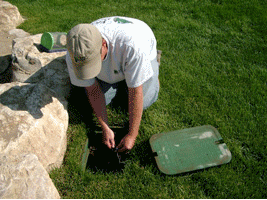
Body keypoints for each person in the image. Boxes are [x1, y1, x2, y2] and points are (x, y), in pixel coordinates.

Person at [66, 16, 160, 153]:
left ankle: (151, 72)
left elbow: (136, 92)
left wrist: (132, 135)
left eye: (93, 61)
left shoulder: (132, 47)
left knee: (144, 101)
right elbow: (92, 90)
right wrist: (105, 127)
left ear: (103, 43)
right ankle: (125, 76)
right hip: (119, 57)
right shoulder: (74, 53)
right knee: (101, 101)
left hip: (141, 43)